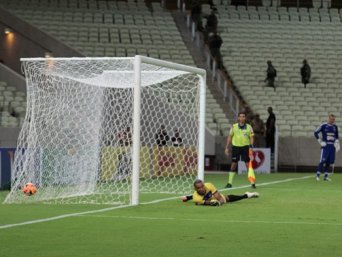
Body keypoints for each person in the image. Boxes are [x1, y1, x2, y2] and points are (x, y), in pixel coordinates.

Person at [224, 111, 256, 189]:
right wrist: (227, 147)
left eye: (243, 116)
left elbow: (251, 137)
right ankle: (229, 183)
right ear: (238, 118)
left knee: (248, 165)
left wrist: (251, 147)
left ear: (245, 118)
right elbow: (230, 136)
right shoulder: (234, 126)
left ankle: (252, 183)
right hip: (236, 147)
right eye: (240, 116)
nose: (242, 118)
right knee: (233, 165)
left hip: (245, 147)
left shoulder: (249, 127)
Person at [181, 179, 259, 205]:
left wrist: (220, 202)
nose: (201, 188)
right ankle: (188, 197)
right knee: (197, 197)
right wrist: (213, 203)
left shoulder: (208, 185)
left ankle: (246, 195)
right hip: (204, 199)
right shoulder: (196, 199)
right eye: (199, 188)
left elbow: (219, 198)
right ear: (195, 188)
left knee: (227, 198)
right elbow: (207, 202)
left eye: (202, 186)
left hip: (213, 196)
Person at [314, 114, 340, 181]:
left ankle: (326, 176)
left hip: (332, 146)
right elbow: (315, 132)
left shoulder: (335, 126)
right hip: (325, 146)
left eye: (333, 119)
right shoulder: (323, 125)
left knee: (329, 161)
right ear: (328, 119)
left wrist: (337, 143)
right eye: (331, 119)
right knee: (322, 160)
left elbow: (337, 136)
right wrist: (320, 141)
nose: (332, 121)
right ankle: (318, 175)